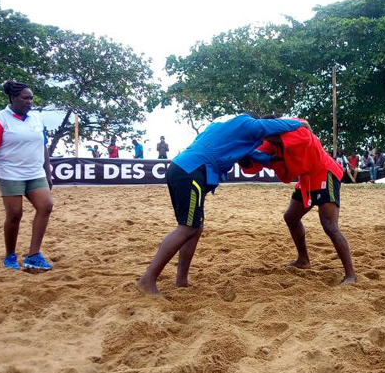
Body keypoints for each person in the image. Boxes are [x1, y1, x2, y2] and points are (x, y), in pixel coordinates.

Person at [136, 113, 309, 296]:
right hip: (192, 171)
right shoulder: (247, 123)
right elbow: (268, 127)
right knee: (187, 228)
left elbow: (258, 157)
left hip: (183, 168)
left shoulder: (227, 130)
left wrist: (276, 159)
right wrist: (300, 124)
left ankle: (181, 280)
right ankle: (148, 279)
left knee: (195, 227)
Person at [241, 127, 356, 285]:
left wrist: (268, 139)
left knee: (329, 225)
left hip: (325, 172)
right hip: (306, 180)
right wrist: (241, 154)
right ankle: (303, 260)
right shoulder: (269, 143)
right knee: (291, 217)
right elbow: (252, 164)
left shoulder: (296, 131)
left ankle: (350, 275)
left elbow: (303, 132)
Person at [0, 80, 54, 271]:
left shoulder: (37, 118)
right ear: (13, 98)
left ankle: (33, 255)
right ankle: (10, 255)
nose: (29, 101)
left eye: (31, 98)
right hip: (10, 173)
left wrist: (48, 172)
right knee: (15, 214)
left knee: (46, 206)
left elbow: (43, 146)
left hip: (35, 172)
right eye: (25, 98)